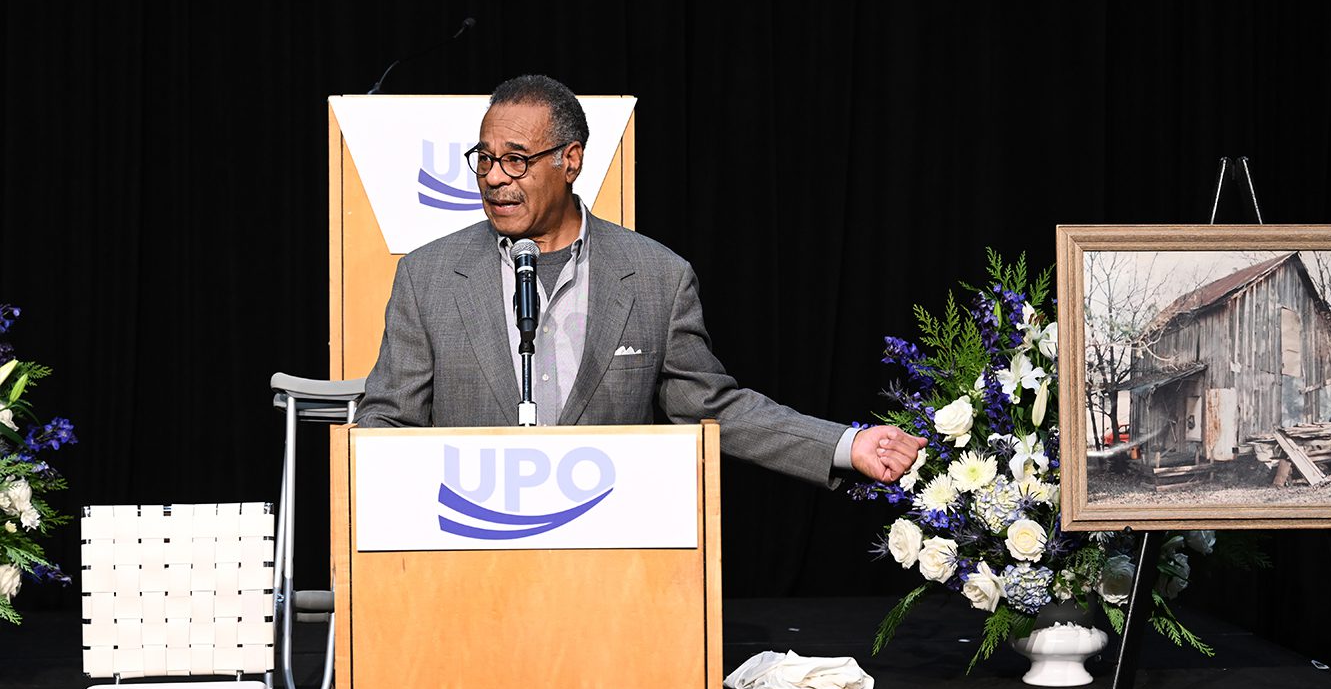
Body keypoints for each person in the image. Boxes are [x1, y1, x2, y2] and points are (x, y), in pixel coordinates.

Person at [355, 74, 925, 486]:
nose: (494, 178)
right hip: (464, 557)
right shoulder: (426, 277)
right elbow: (385, 419)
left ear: (570, 161)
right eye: (485, 158)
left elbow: (712, 410)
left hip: (609, 563)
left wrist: (847, 444)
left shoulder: (657, 277)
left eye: (517, 159)